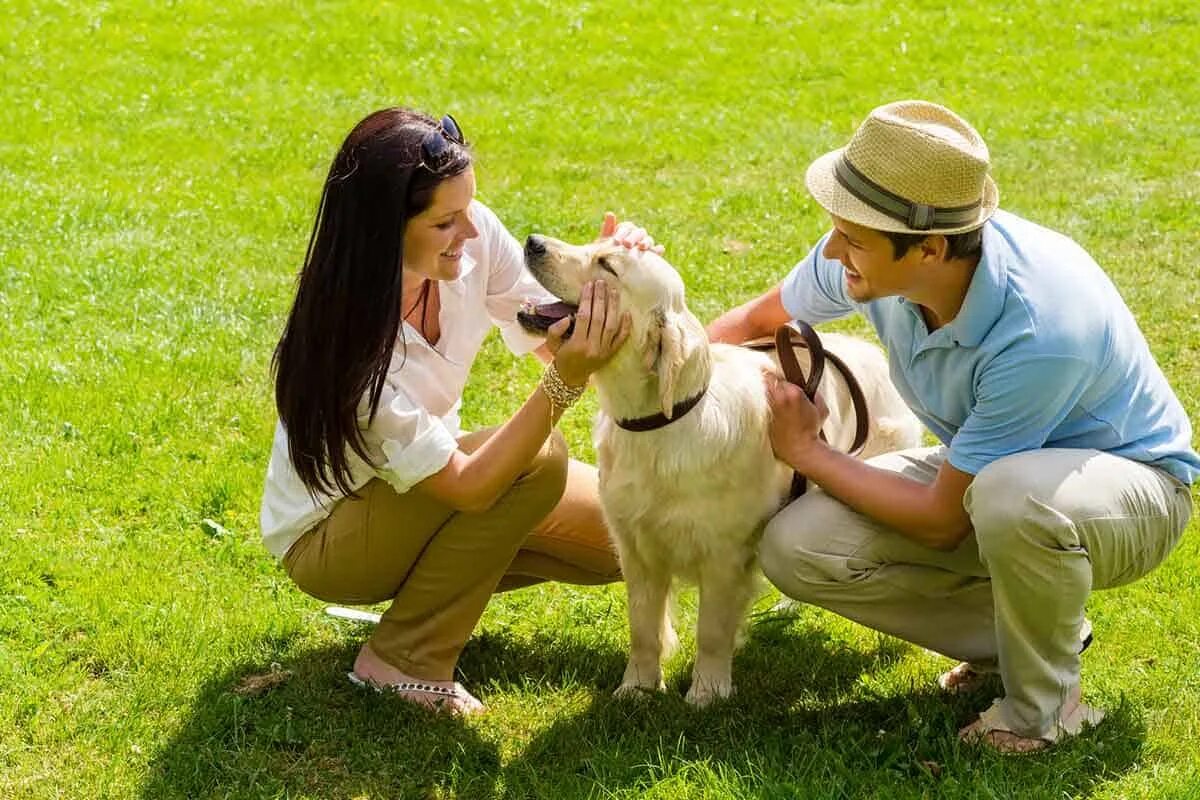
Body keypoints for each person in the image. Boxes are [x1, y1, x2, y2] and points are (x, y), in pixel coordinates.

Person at [707, 100, 1198, 753]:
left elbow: (941, 521)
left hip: (1133, 496)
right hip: (992, 472)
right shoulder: (871, 251)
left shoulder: (1041, 326)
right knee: (795, 545)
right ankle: (1028, 636)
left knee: (1009, 495)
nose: (832, 251)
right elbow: (750, 323)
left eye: (851, 239)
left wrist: (808, 451)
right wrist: (668, 402)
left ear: (930, 249)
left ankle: (1043, 710)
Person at [261, 107, 653, 715]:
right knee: (535, 461)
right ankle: (403, 657)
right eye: (445, 222)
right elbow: (470, 489)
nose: (470, 233)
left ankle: (434, 595)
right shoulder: (351, 349)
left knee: (625, 538)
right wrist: (564, 384)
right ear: (384, 230)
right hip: (331, 536)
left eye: (467, 210)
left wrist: (611, 274)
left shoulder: (466, 241)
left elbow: (547, 330)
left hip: (420, 490)